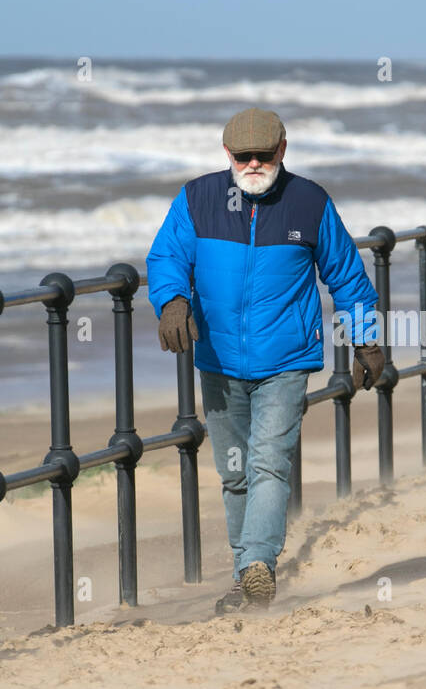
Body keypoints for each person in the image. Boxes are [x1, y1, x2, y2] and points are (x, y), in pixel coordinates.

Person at [146, 107, 384, 613]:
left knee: (269, 463)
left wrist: (366, 341)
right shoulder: (198, 198)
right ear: (227, 154)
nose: (253, 164)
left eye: (263, 155)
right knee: (234, 473)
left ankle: (258, 566)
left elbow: (346, 276)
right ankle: (244, 580)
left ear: (282, 150)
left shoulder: (309, 201)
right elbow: (166, 257)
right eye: (242, 156)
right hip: (216, 359)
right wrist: (171, 300)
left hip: (287, 360)